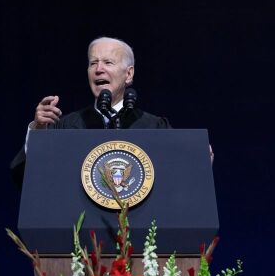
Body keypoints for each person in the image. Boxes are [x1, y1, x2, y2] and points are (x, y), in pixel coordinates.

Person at [10, 37, 172, 185]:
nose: (98, 69)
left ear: (128, 74)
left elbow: (173, 178)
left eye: (108, 62)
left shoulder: (154, 126)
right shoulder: (65, 126)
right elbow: (24, 178)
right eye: (93, 63)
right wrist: (39, 132)